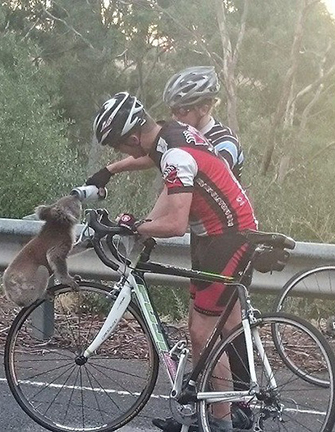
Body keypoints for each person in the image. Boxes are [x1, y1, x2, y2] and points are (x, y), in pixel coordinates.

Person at [92, 92, 258, 432]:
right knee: (211, 329)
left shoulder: (176, 156)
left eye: (119, 147)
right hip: (216, 235)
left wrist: (135, 225)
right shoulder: (172, 133)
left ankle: (222, 422)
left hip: (227, 239)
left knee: (201, 333)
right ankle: (220, 413)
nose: (122, 153)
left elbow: (176, 224)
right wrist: (111, 171)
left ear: (133, 138)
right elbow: (151, 161)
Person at [85, 66, 244, 190]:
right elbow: (155, 154)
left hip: (229, 229)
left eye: (181, 111)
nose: (175, 117)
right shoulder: (183, 133)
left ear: (204, 108)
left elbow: (212, 181)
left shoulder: (225, 143)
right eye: (172, 111)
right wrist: (109, 170)